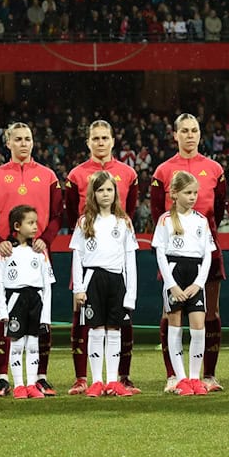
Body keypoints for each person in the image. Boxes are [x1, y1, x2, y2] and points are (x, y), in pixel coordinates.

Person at [0, 122, 62, 398]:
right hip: (5, 254)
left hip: (38, 253)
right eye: (18, 139)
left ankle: (41, 377)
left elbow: (58, 215)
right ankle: (4, 378)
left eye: (28, 138)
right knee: (4, 316)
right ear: (8, 143)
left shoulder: (48, 175)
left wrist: (46, 239)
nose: (24, 143)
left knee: (40, 318)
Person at [150, 113, 226, 393]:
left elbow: (218, 209)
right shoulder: (162, 170)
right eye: (185, 131)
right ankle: (173, 376)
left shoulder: (215, 168)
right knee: (171, 312)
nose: (190, 135)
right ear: (175, 135)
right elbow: (159, 211)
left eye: (194, 130)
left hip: (205, 247)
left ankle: (208, 375)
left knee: (210, 311)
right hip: (174, 251)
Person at [64, 120, 139, 395]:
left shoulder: (124, 221)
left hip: (116, 279)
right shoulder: (85, 220)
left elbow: (130, 259)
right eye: (95, 138)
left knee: (115, 331)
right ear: (88, 142)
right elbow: (77, 254)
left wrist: (130, 293)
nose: (100, 142)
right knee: (94, 330)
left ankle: (114, 381)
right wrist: (80, 286)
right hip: (93, 278)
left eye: (104, 137)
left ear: (112, 140)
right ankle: (94, 381)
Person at [152, 171, 216, 396]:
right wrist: (172, 285)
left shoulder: (201, 220)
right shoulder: (165, 220)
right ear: (175, 193)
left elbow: (208, 255)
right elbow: (160, 254)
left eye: (195, 192)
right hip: (175, 275)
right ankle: (180, 379)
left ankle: (195, 378)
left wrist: (199, 284)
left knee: (199, 327)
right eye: (188, 192)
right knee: (175, 326)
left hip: (195, 277)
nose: (192, 197)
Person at [0, 205, 55, 399]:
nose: (36, 226)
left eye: (36, 222)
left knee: (34, 344)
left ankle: (31, 384)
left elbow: (47, 285)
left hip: (35, 300)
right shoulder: (6, 252)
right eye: (31, 223)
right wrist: (2, 312)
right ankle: (18, 384)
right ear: (17, 226)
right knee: (17, 344)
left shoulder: (40, 252)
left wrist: (46, 315)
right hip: (15, 300)